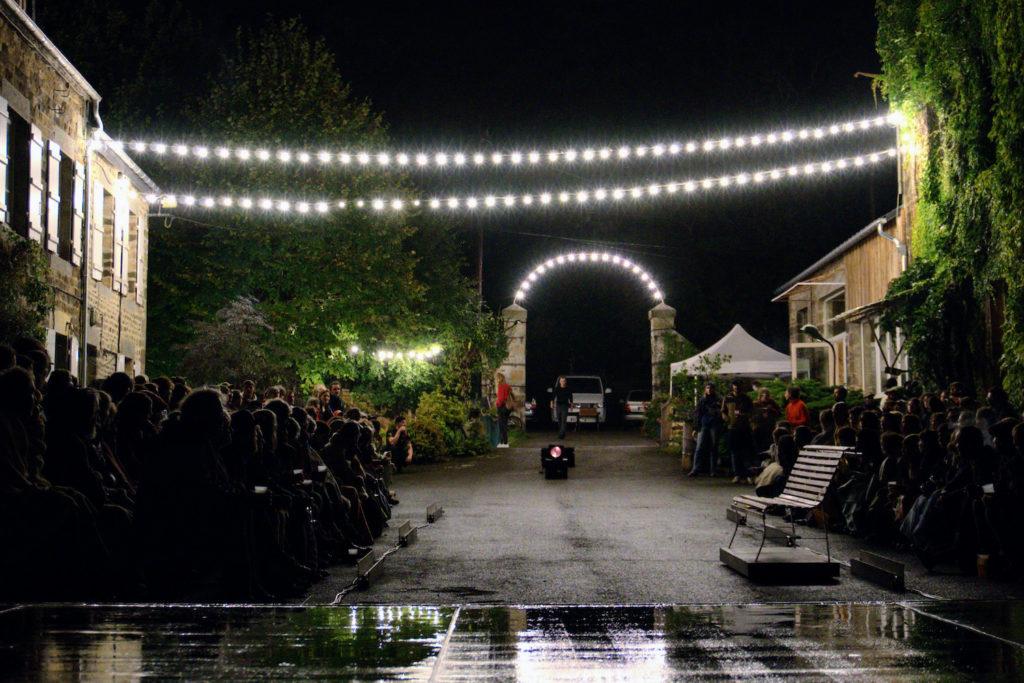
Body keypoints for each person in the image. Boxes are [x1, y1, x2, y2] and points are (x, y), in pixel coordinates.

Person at [689, 383, 722, 477]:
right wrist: (696, 427)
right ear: (705, 389)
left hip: (714, 425)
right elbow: (697, 414)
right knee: (699, 447)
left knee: (714, 447)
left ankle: (713, 470)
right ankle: (695, 469)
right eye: (708, 388)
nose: (709, 390)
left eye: (711, 388)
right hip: (704, 424)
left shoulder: (718, 399)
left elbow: (722, 412)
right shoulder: (702, 400)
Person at [495, 372, 515, 448]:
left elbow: (501, 398)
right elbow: (512, 394)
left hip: (501, 407)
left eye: (497, 378)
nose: (496, 380)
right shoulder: (507, 386)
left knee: (501, 425)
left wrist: (497, 404)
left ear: (499, 379)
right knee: (504, 424)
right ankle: (505, 442)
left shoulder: (500, 386)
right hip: (507, 408)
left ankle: (503, 443)